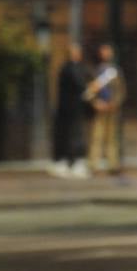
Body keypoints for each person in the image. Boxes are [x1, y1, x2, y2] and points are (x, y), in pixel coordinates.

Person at [83, 43, 125, 175]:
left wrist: (114, 103)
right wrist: (95, 103)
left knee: (112, 138)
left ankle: (113, 164)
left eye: (109, 51)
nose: (106, 54)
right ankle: (93, 164)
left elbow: (121, 90)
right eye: (104, 51)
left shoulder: (115, 71)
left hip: (112, 109)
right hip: (99, 110)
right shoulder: (95, 71)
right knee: (97, 137)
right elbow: (90, 90)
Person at [51, 42, 91, 177]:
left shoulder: (75, 68)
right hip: (70, 109)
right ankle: (72, 162)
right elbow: (80, 84)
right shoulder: (69, 69)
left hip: (73, 108)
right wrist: (91, 88)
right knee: (72, 135)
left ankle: (71, 161)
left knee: (73, 135)